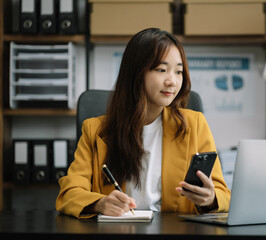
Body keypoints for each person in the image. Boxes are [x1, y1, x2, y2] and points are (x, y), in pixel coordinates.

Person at [56, 28, 231, 219]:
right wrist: (100, 203)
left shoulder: (194, 124)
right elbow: (69, 193)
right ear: (136, 73)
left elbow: (223, 194)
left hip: (175, 231)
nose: (172, 81)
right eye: (161, 70)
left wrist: (210, 198)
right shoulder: (94, 130)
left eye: (179, 71)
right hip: (117, 230)